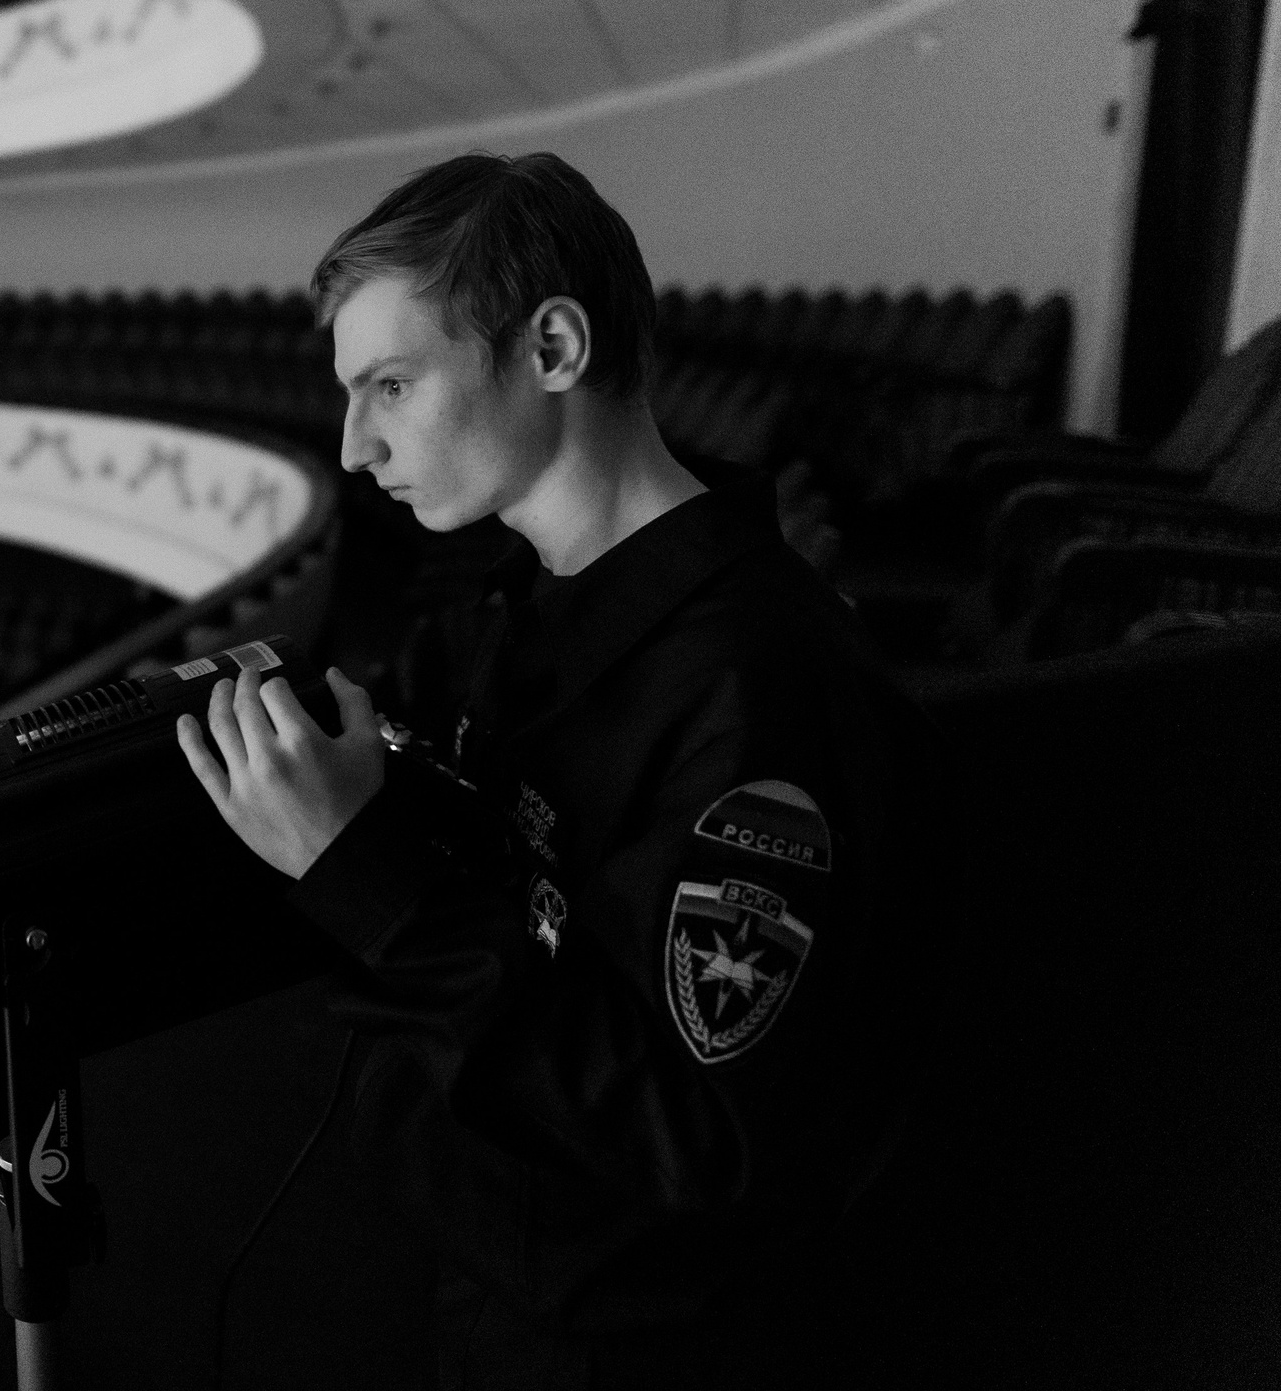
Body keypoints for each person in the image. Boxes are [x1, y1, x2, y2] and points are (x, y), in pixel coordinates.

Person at [177, 152, 941, 1390]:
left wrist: (365, 875)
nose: (355, 447)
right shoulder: (528, 606)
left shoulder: (758, 692)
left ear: (552, 349)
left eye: (391, 386)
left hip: (630, 1342)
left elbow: (697, 1134)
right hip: (504, 1265)